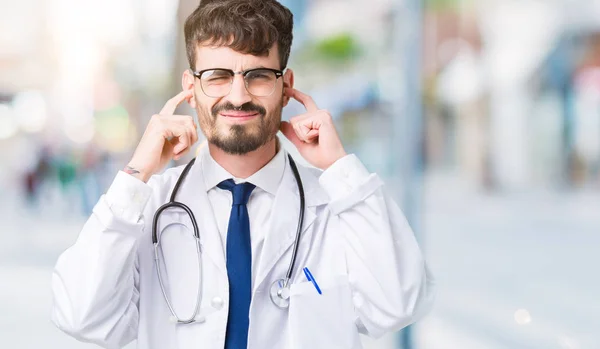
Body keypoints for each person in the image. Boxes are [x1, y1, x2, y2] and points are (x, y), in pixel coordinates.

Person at [51, 1, 435, 348]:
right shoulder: (148, 205)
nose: (238, 95)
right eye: (218, 76)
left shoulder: (336, 203)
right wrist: (136, 176)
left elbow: (399, 304)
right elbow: (82, 317)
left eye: (258, 76)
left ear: (286, 88)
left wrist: (341, 170)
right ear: (191, 88)